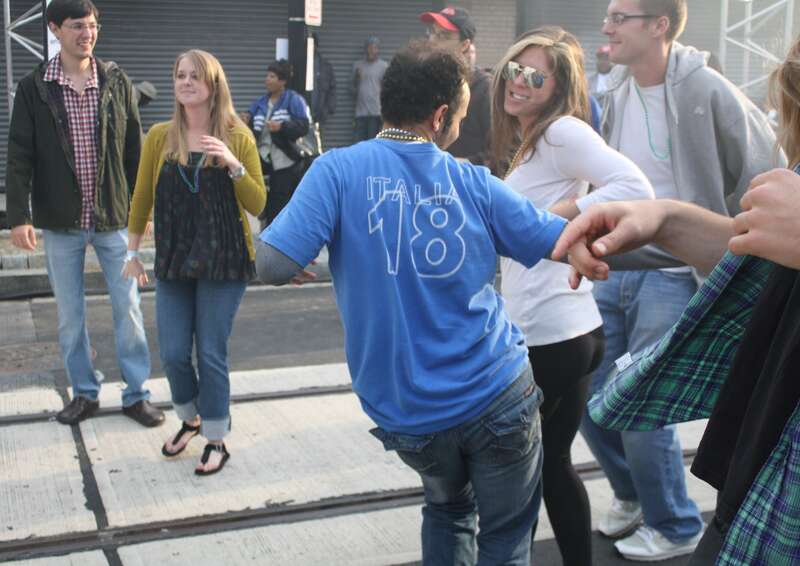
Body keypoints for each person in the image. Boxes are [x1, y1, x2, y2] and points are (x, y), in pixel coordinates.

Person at [256, 40, 589, 565]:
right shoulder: (473, 182)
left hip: (409, 413)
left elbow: (272, 263)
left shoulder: (336, 171)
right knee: (505, 539)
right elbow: (562, 242)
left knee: (448, 510)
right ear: (439, 117)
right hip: (497, 394)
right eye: (459, 115)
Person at [551, 39, 800, 564]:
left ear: (658, 25)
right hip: (759, 469)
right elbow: (772, 252)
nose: (608, 30)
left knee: (644, 421)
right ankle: (636, 498)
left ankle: (669, 518)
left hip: (670, 281)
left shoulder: (706, 88)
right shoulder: (615, 90)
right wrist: (664, 219)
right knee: (604, 397)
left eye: (622, 19)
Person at [491, 26, 654, 565]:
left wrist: (552, 218)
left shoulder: (561, 132)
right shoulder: (537, 138)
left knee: (515, 470)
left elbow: (635, 188)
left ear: (558, 87)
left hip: (548, 334)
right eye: (514, 69)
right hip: (570, 328)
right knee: (553, 464)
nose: (518, 82)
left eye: (534, 75)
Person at [5, 0, 162, 428]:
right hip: (60, 222)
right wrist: (19, 215)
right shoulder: (34, 87)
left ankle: (136, 394)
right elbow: (19, 155)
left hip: (113, 220)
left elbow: (136, 150)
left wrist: (141, 208)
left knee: (128, 309)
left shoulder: (115, 80)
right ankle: (85, 393)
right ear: (55, 29)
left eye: (92, 26)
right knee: (70, 317)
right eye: (77, 26)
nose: (87, 34)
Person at [123, 49, 266, 476]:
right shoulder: (159, 137)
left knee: (210, 351)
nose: (185, 82)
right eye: (180, 75)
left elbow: (258, 202)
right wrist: (132, 253)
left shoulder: (238, 134)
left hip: (224, 259)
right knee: (171, 352)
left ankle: (217, 439)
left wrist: (233, 164)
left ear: (213, 84)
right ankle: (191, 418)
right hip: (175, 258)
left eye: (195, 76)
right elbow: (142, 197)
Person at [242, 60, 311, 229]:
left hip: (284, 159)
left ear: (282, 81)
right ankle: (265, 216)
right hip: (262, 156)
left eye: (272, 76)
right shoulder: (260, 103)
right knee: (256, 190)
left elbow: (303, 126)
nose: (267, 79)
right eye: (267, 76)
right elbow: (250, 126)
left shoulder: (294, 100)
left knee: (279, 201)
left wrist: (282, 126)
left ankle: (275, 234)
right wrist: (245, 120)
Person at [420, 6, 491, 167]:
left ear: (465, 45)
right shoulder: (425, 81)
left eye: (443, 36)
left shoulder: (485, 88)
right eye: (433, 33)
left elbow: (503, 152)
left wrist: (461, 164)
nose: (433, 41)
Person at [351, 37, 388, 141]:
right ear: (365, 49)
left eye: (374, 48)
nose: (371, 51)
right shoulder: (358, 66)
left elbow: (388, 90)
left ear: (378, 50)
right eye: (369, 48)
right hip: (360, 113)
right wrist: (357, 79)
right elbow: (352, 90)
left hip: (376, 113)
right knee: (359, 145)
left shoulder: (383, 66)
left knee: (373, 144)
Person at [310, 33, 337, 146]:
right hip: (301, 114)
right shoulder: (299, 62)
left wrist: (328, 108)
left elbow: (332, 88)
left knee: (318, 143)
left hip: (319, 112)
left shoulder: (325, 66)